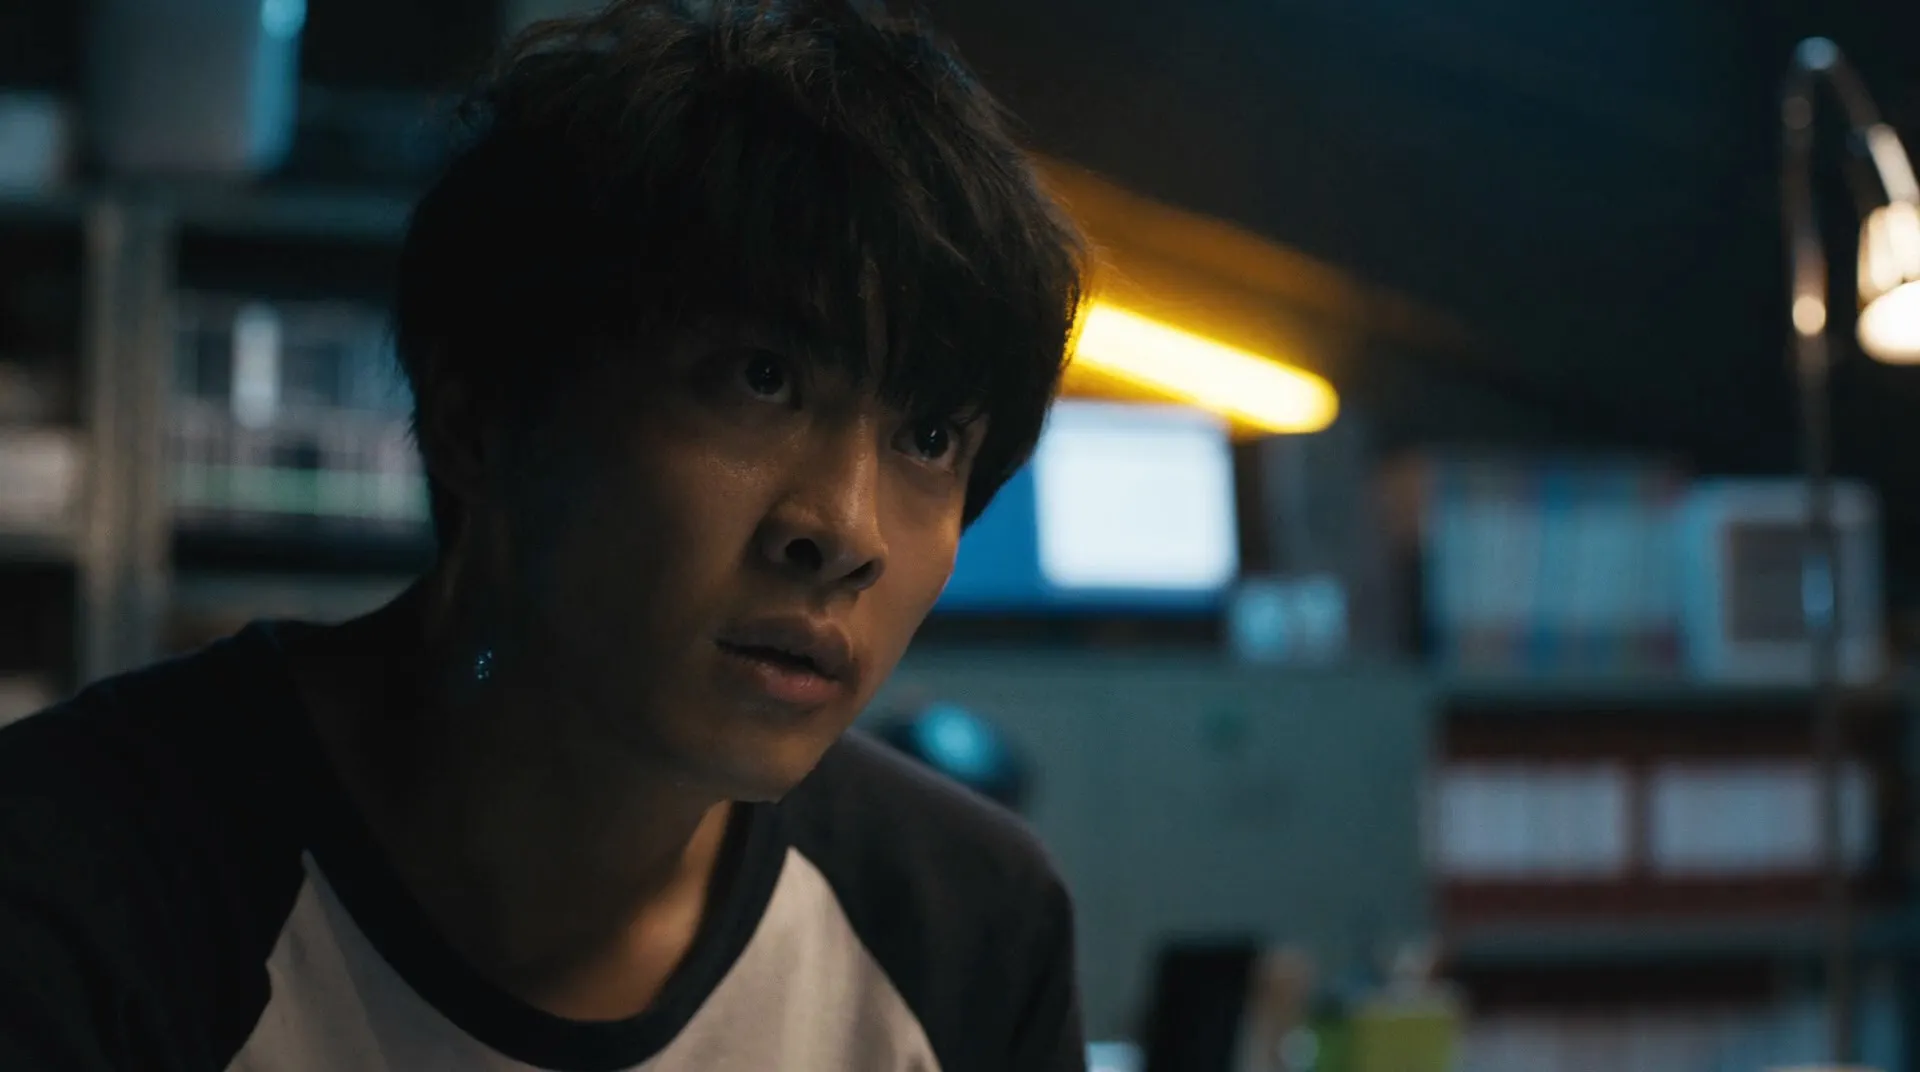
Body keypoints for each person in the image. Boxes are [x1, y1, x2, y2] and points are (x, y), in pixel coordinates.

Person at [0, 1, 1087, 1069]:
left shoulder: (967, 928)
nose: (845, 531)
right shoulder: (76, 889)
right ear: (481, 417)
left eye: (930, 438)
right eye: (762, 379)